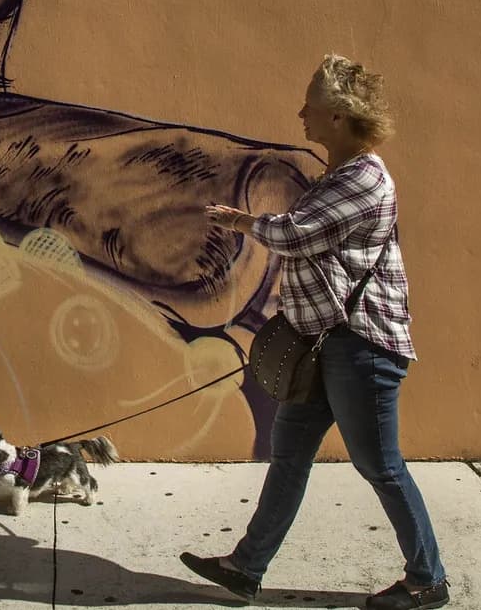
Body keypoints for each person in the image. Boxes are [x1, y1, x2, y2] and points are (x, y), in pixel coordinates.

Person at [182, 54, 448, 609]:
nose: (302, 112)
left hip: (361, 345)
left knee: (380, 464)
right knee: (289, 454)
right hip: (325, 345)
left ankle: (428, 579)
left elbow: (299, 235)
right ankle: (245, 567)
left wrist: (240, 222)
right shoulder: (341, 175)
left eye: (313, 106)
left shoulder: (365, 178)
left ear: (341, 116)